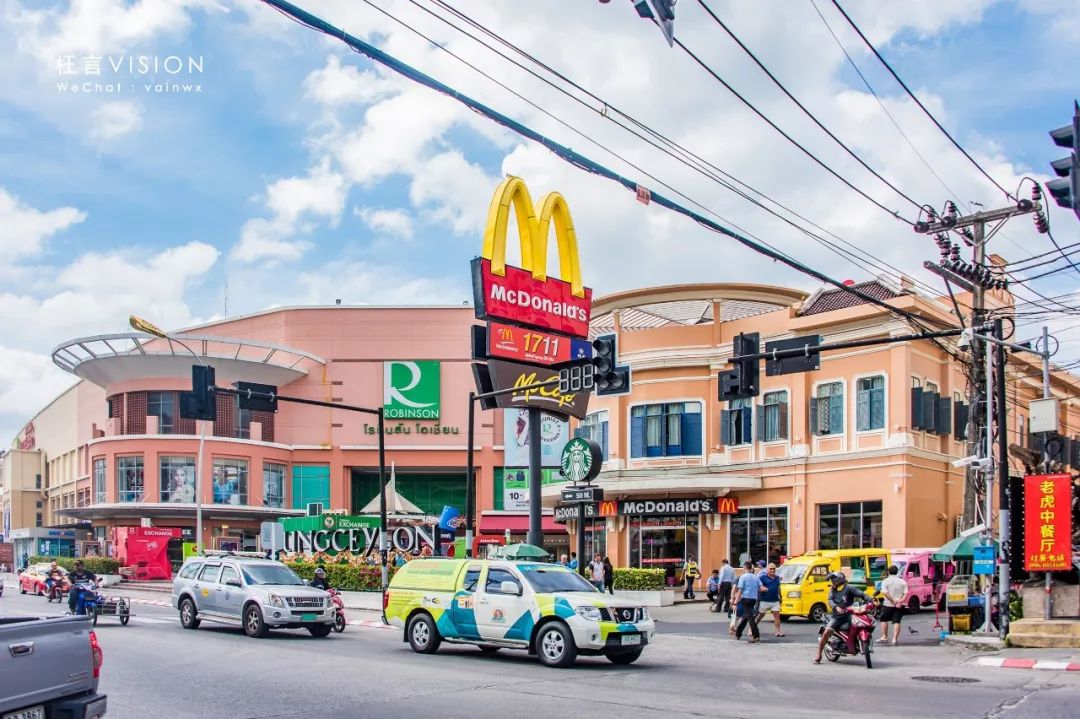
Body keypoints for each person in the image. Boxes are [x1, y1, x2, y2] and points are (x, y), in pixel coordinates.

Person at [814, 572, 874, 664]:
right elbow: (830, 600)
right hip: (837, 617)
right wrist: (836, 607)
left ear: (839, 580)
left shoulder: (849, 588)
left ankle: (854, 643)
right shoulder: (833, 589)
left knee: (864, 622)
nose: (832, 582)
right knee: (827, 631)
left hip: (850, 614)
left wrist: (871, 601)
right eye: (831, 580)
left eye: (833, 580)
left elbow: (862, 594)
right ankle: (819, 653)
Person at [732, 561, 762, 643]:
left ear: (744, 568)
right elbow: (760, 588)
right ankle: (738, 633)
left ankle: (756, 635)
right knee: (746, 616)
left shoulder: (743, 577)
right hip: (753, 599)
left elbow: (740, 590)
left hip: (745, 599)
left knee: (750, 618)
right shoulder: (756, 577)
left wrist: (735, 602)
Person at [878, 564, 908, 645]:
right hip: (899, 605)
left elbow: (886, 594)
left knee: (883, 619)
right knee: (896, 621)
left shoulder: (885, 581)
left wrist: (893, 601)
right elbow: (905, 594)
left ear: (888, 572)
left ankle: (885, 636)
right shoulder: (902, 581)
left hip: (887, 604)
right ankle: (894, 639)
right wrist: (900, 601)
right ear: (897, 572)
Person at [756, 563, 785, 637]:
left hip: (775, 600)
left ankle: (777, 632)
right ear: (767, 570)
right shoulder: (762, 577)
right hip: (764, 600)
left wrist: (780, 596)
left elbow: (778, 587)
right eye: (770, 569)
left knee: (777, 615)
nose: (772, 570)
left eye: (774, 569)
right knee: (760, 615)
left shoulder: (777, 577)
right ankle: (752, 628)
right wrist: (762, 589)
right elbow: (758, 587)